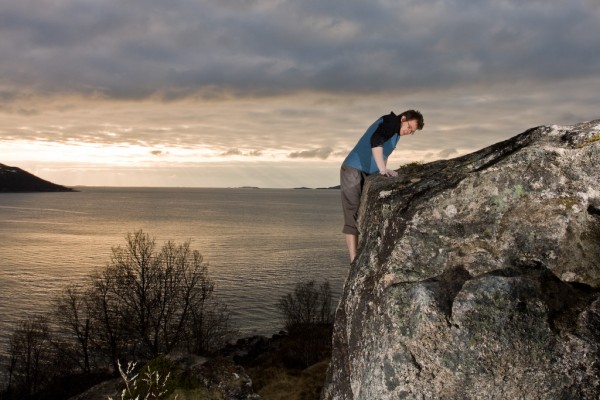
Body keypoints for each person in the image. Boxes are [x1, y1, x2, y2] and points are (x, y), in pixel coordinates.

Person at [340, 109, 424, 262]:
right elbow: (376, 140)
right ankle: (354, 261)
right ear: (403, 118)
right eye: (410, 127)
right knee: (352, 214)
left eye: (412, 131)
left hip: (367, 173)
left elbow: (383, 152)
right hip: (353, 169)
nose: (409, 132)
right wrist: (382, 170)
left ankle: (363, 254)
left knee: (364, 212)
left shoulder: (395, 133)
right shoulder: (391, 121)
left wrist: (385, 170)